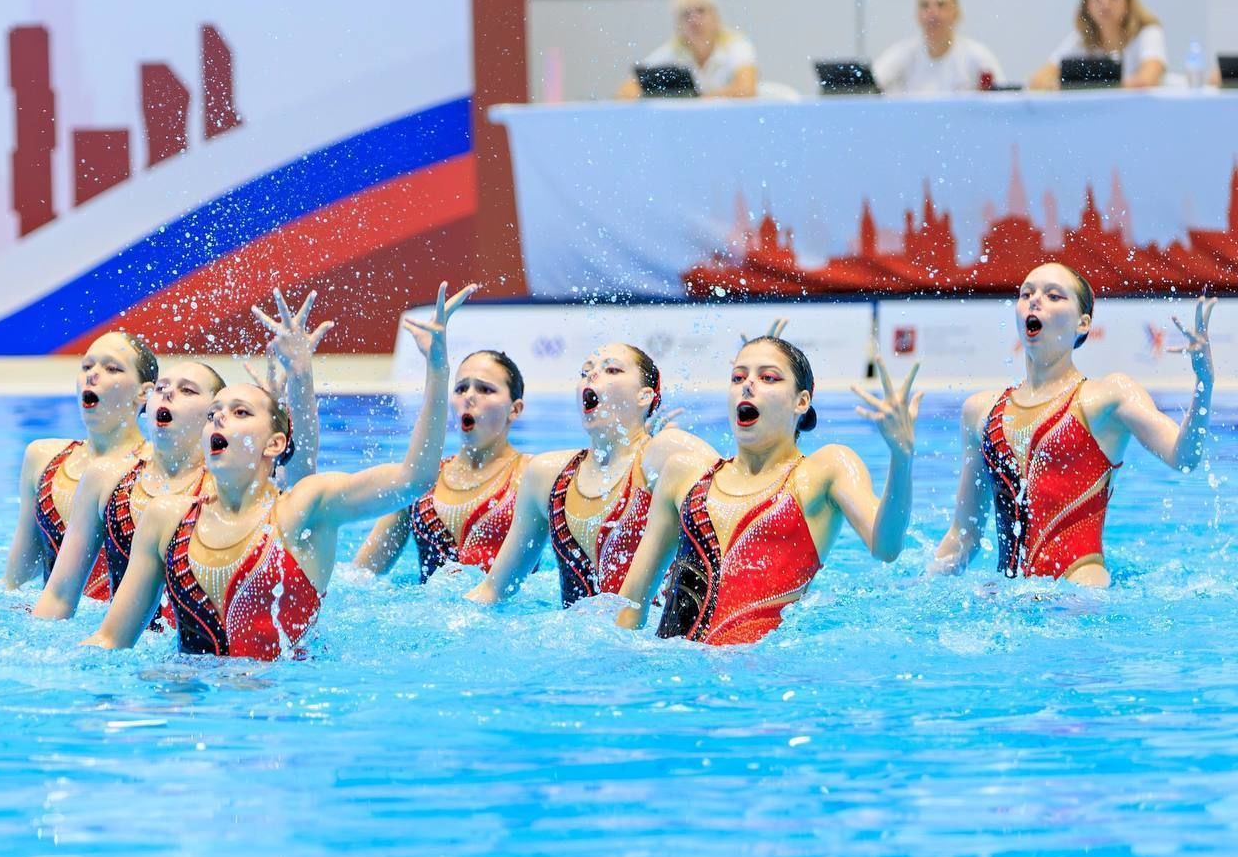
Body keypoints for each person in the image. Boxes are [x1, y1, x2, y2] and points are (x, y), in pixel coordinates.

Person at [82, 283, 475, 659]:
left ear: (273, 443)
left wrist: (437, 369)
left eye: (240, 412)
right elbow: (111, 639)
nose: (220, 420)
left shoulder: (301, 511)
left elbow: (414, 478)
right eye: (213, 413)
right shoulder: (165, 518)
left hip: (277, 699)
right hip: (185, 698)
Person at [33, 290, 331, 621]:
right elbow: (59, 596)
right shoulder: (106, 478)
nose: (168, 395)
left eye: (187, 390)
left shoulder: (228, 486)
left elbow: (302, 471)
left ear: (215, 412)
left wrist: (299, 378)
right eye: (161, 389)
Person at [615, 337, 920, 645]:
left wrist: (902, 456)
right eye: (738, 377)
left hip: (761, 670)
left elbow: (886, 547)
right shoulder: (683, 475)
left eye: (768, 378)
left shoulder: (822, 472)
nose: (747, 385)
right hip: (674, 669)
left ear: (802, 402)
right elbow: (630, 606)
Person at [931, 263, 1216, 586]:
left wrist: (1204, 382)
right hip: (1008, 597)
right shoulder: (980, 411)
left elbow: (1184, 458)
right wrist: (920, 587)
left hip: (1079, 593)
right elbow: (963, 537)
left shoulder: (1105, 397)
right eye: (1027, 294)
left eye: (1054, 296)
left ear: (1083, 324)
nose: (1035, 300)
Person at [465, 343, 720, 607]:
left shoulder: (661, 456)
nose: (592, 375)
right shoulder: (547, 475)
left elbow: (732, 497)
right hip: (570, 633)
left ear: (644, 397)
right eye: (585, 372)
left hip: (651, 633)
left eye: (612, 370)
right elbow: (493, 590)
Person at [354, 350, 530, 581]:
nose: (469, 396)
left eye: (485, 389)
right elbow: (360, 576)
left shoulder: (532, 476)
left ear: (515, 409)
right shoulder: (421, 480)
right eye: (461, 388)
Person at [3, 332, 158, 594]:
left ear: (144, 393)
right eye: (86, 366)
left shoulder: (157, 466)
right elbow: (18, 578)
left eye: (112, 368)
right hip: (51, 615)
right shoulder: (42, 458)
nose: (92, 374)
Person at [1029, 0, 1166, 90]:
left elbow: (1147, 80)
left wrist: (1083, 87)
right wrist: (1058, 86)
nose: (1105, 4)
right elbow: (1038, 80)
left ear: (1128, 3)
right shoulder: (1081, 39)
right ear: (1087, 6)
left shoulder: (1147, 33)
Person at [616, 0, 757, 99]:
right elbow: (626, 91)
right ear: (678, 25)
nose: (694, 20)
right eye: (686, 14)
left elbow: (747, 90)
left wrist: (696, 99)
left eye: (701, 11)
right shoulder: (672, 51)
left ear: (716, 17)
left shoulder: (736, 46)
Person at [872, 0, 1005, 95]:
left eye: (941, 5)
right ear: (917, 15)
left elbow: (1001, 98)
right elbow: (868, 87)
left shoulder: (977, 56)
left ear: (957, 13)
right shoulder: (902, 53)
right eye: (925, 5)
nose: (932, 13)